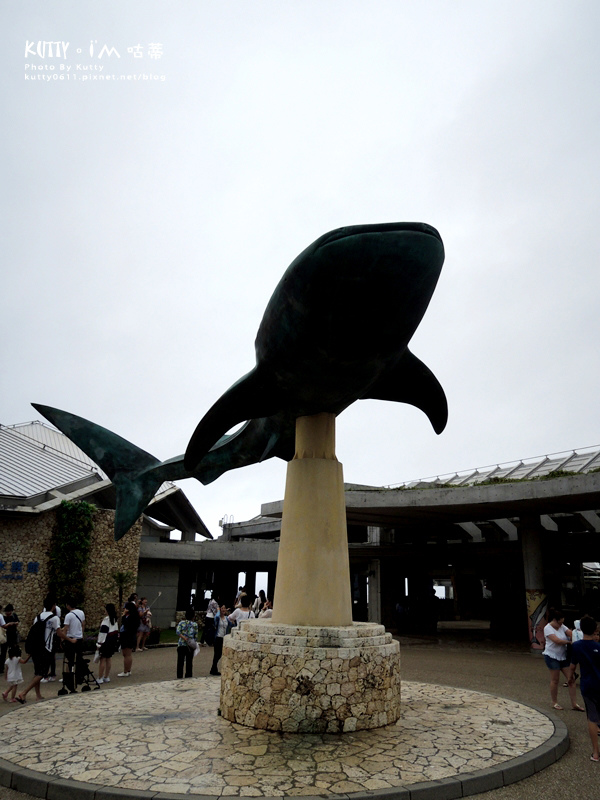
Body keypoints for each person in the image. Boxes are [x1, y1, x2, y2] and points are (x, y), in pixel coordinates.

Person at [566, 615, 600, 762]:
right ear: (595, 630)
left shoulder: (577, 646)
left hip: (587, 685)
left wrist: (570, 677)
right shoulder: (598, 647)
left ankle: (596, 753)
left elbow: (572, 665)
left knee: (592, 718)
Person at [17, 595, 59, 703]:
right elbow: (58, 633)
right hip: (46, 648)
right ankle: (24, 693)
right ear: (53, 606)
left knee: (37, 672)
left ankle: (38, 695)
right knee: (42, 673)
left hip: (35, 648)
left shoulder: (38, 617)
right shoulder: (54, 618)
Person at [542, 607, 584, 711]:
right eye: (559, 623)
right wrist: (569, 642)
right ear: (555, 620)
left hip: (563, 655)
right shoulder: (547, 628)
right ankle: (554, 702)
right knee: (555, 679)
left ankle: (574, 703)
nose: (561, 625)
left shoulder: (562, 626)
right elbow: (556, 640)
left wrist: (576, 635)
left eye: (562, 623)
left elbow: (570, 633)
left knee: (571, 679)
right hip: (552, 656)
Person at [61, 597, 86, 687]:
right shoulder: (81, 612)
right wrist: (81, 633)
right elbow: (83, 624)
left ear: (68, 605)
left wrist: (62, 638)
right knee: (79, 658)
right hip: (79, 638)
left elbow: (66, 628)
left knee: (69, 659)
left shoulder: (68, 615)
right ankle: (79, 676)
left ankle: (69, 676)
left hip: (71, 639)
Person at [96, 603, 119, 683]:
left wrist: (99, 644)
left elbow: (103, 633)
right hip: (113, 640)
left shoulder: (106, 620)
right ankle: (106, 676)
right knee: (108, 658)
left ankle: (100, 677)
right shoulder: (115, 619)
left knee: (103, 659)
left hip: (106, 640)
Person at [176, 608, 198, 679]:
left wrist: (183, 637)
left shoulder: (181, 623)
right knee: (189, 662)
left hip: (181, 644)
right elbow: (196, 636)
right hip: (190, 645)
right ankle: (188, 676)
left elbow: (178, 632)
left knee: (180, 662)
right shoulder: (194, 625)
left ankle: (179, 676)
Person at [118, 600, 138, 677]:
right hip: (127, 636)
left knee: (127, 654)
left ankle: (126, 671)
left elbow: (126, 624)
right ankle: (128, 670)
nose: (124, 610)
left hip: (128, 636)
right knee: (126, 654)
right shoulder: (131, 616)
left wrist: (123, 616)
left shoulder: (131, 617)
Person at [210, 604, 231, 676]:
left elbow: (231, 624)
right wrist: (218, 611)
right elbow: (216, 617)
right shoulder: (218, 618)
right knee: (217, 654)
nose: (223, 610)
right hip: (218, 637)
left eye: (224, 608)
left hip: (224, 637)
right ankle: (214, 669)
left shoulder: (226, 618)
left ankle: (213, 668)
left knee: (220, 654)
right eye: (222, 608)